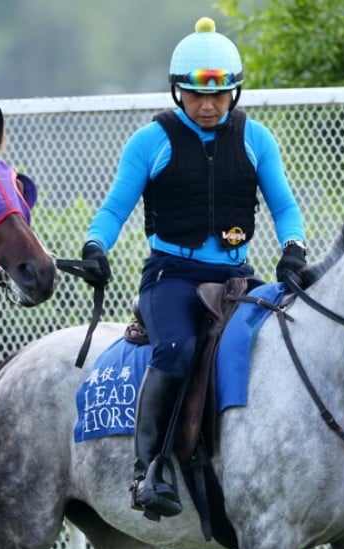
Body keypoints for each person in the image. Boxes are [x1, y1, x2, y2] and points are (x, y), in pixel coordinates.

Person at [80, 17, 307, 518]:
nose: (208, 105)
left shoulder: (257, 139)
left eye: (221, 95)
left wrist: (293, 246)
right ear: (177, 92)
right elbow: (115, 209)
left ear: (235, 92)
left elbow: (285, 208)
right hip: (171, 278)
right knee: (178, 351)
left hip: (237, 279)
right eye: (196, 96)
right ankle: (150, 470)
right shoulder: (149, 141)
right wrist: (97, 245)